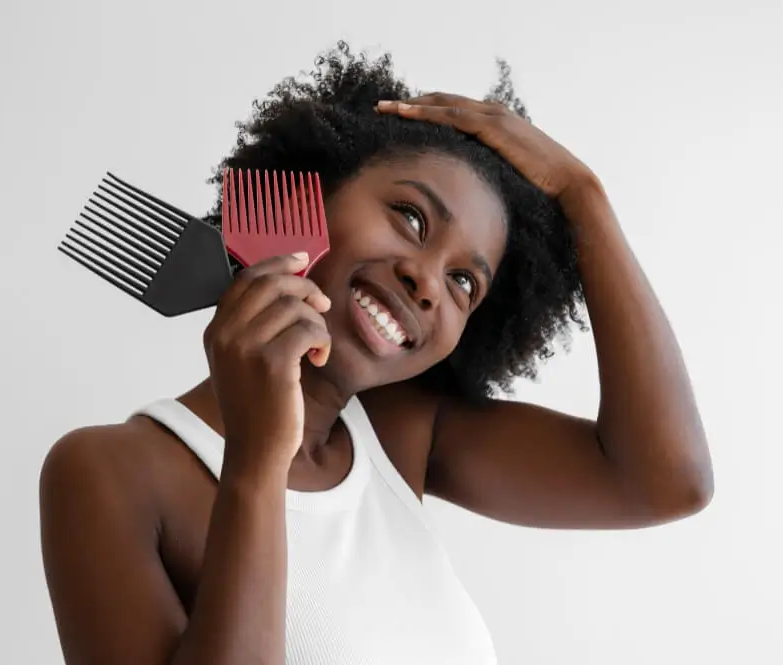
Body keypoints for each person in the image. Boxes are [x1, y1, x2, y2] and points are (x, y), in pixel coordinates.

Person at [39, 42, 714, 665]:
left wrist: (583, 197)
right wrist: (256, 458)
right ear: (308, 194)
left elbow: (668, 480)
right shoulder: (110, 471)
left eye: (464, 283)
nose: (429, 283)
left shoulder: (399, 431)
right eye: (412, 218)